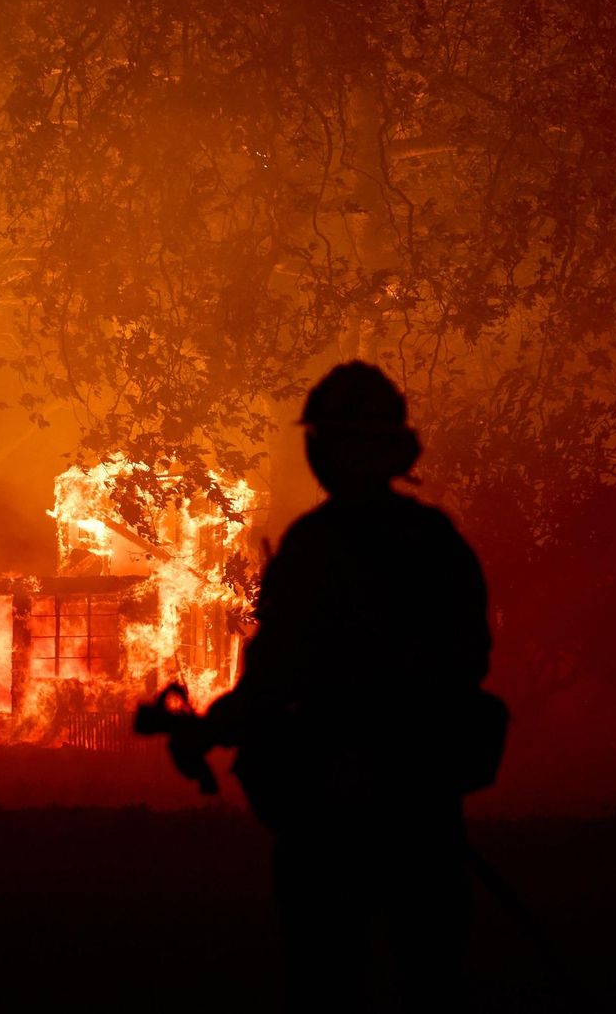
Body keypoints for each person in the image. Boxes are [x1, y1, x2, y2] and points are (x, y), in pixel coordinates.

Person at [199, 361, 497, 1011]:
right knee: (430, 974)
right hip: (423, 802)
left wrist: (216, 727)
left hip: (330, 810)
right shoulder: (435, 541)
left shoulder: (317, 548)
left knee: (328, 977)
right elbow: (469, 659)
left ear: (323, 451)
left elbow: (276, 676)